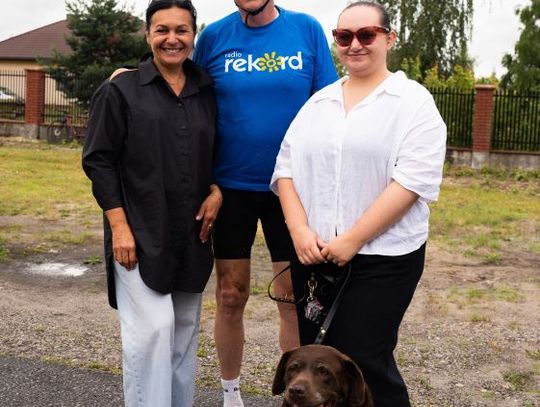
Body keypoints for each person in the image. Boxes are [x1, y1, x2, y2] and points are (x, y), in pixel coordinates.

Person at [271, 1, 447, 406]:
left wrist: (352, 239)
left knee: (364, 360)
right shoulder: (319, 103)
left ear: (389, 38)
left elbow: (411, 181)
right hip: (315, 258)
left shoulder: (413, 103)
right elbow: (285, 170)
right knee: (321, 364)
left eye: (366, 34)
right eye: (344, 36)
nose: (355, 44)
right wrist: (299, 231)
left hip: (383, 257)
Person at [192, 2, 337, 406]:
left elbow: (330, 105)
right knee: (230, 295)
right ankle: (230, 394)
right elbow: (185, 92)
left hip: (290, 190)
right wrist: (130, 74)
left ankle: (297, 398)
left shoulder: (306, 30)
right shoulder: (214, 36)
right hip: (230, 188)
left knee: (291, 298)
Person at [82, 1, 222, 406]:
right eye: (162, 30)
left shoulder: (206, 90)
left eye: (181, 30)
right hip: (139, 232)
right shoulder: (120, 90)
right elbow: (98, 160)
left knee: (183, 333)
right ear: (147, 35)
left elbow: (214, 150)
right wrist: (119, 228)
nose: (171, 39)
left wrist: (217, 191)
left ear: (194, 35)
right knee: (153, 332)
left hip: (192, 233)